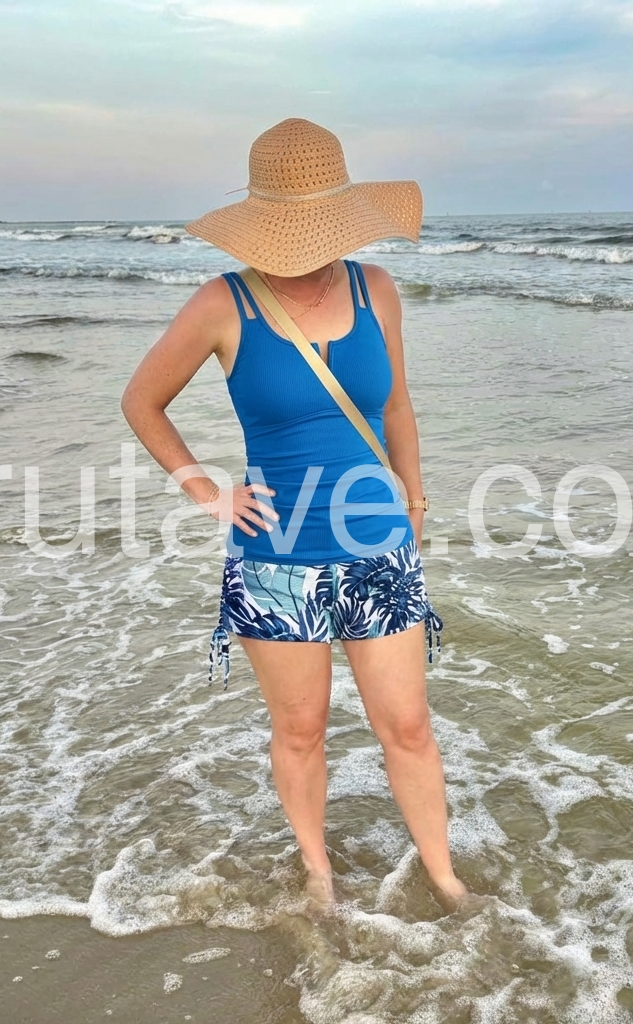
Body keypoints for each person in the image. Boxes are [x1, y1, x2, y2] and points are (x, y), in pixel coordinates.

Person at [120, 117, 469, 911]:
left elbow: (397, 406)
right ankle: (318, 873)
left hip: (378, 548)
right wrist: (208, 492)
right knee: (302, 730)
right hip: (276, 557)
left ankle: (444, 876)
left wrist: (415, 499)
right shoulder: (224, 302)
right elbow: (141, 401)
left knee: (408, 727)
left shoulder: (376, 289)